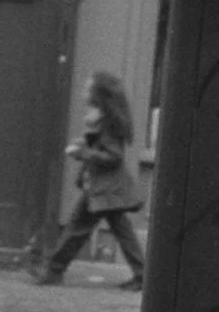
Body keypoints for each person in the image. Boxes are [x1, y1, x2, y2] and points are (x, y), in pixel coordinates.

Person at [34, 71, 145, 290]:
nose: (84, 91)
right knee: (121, 232)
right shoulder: (103, 118)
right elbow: (101, 147)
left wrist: (83, 152)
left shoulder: (109, 123)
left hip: (104, 189)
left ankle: (53, 270)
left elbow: (114, 156)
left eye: (88, 88)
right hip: (104, 188)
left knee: (77, 228)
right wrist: (84, 143)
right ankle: (143, 275)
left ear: (99, 94)